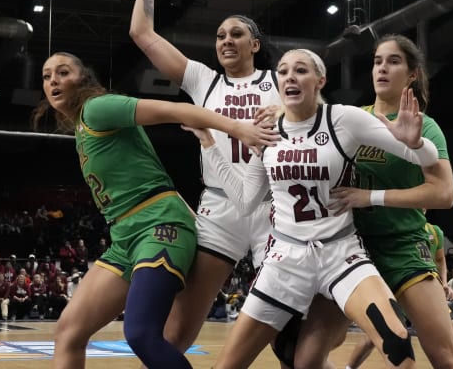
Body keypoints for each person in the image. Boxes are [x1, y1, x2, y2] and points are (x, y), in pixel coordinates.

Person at [185, 48, 439, 368]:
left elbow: (426, 159)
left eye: (301, 70)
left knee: (398, 344)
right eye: (283, 71)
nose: (290, 76)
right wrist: (210, 146)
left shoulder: (343, 119)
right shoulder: (267, 132)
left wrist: (416, 144)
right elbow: (246, 201)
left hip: (341, 253)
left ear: (320, 80)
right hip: (285, 260)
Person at [32, 51, 278, 369]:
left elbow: (176, 109)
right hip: (125, 236)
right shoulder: (82, 125)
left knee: (142, 334)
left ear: (83, 78)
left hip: (159, 227)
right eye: (47, 75)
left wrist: (237, 128)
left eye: (63, 72)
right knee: (69, 331)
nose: (53, 80)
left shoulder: (98, 108)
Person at [129, 0, 285, 356]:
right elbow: (142, 33)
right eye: (220, 36)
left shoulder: (280, 82)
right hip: (219, 208)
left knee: (290, 332)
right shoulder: (202, 79)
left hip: (274, 206)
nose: (226, 40)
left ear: (255, 44)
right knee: (177, 332)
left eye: (237, 34)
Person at [324, 34, 453, 369]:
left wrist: (368, 196)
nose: (382, 68)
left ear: (412, 73)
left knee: (445, 355)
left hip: (403, 245)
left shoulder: (426, 127)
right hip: (351, 247)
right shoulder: (351, 119)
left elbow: (444, 195)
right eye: (377, 61)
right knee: (312, 348)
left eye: (393, 61)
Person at [346, 223, 453, 369]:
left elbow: (440, 259)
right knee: (373, 338)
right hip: (394, 287)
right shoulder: (391, 225)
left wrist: (443, 283)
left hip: (422, 287)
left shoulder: (434, 231)